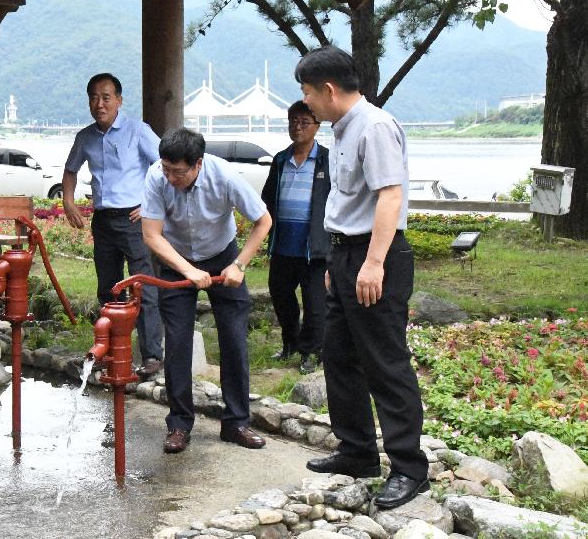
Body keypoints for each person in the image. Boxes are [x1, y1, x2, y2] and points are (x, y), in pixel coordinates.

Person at [295, 46, 428, 509]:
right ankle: (357, 452)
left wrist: (373, 263)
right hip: (346, 255)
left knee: (384, 362)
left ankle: (409, 468)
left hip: (376, 256)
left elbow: (390, 197)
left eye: (308, 92)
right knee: (340, 357)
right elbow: (346, 204)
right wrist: (339, 263)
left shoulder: (374, 127)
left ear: (328, 89)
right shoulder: (342, 130)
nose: (306, 102)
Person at [141, 127, 272, 454]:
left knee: (233, 336)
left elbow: (264, 220)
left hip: (222, 254)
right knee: (178, 342)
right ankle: (179, 424)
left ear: (198, 164)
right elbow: (152, 234)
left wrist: (239, 265)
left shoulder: (224, 176)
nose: (171, 177)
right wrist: (188, 271)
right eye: (167, 169)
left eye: (179, 172)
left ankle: (237, 422)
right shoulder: (157, 176)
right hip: (177, 258)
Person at [62, 73, 163, 375]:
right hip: (103, 221)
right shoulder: (86, 137)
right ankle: (110, 353)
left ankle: (152, 356)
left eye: (106, 97)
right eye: (94, 97)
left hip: (134, 220)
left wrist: (149, 205)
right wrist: (68, 201)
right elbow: (70, 171)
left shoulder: (137, 131)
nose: (99, 103)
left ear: (119, 100)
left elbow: (164, 165)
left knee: (141, 286)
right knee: (108, 289)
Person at [261, 101, 330, 375]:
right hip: (283, 245)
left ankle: (311, 352)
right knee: (281, 296)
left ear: (317, 125)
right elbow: (267, 198)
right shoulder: (280, 159)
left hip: (314, 247)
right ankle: (290, 343)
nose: (297, 127)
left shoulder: (327, 159)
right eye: (293, 121)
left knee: (315, 303)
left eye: (304, 122)